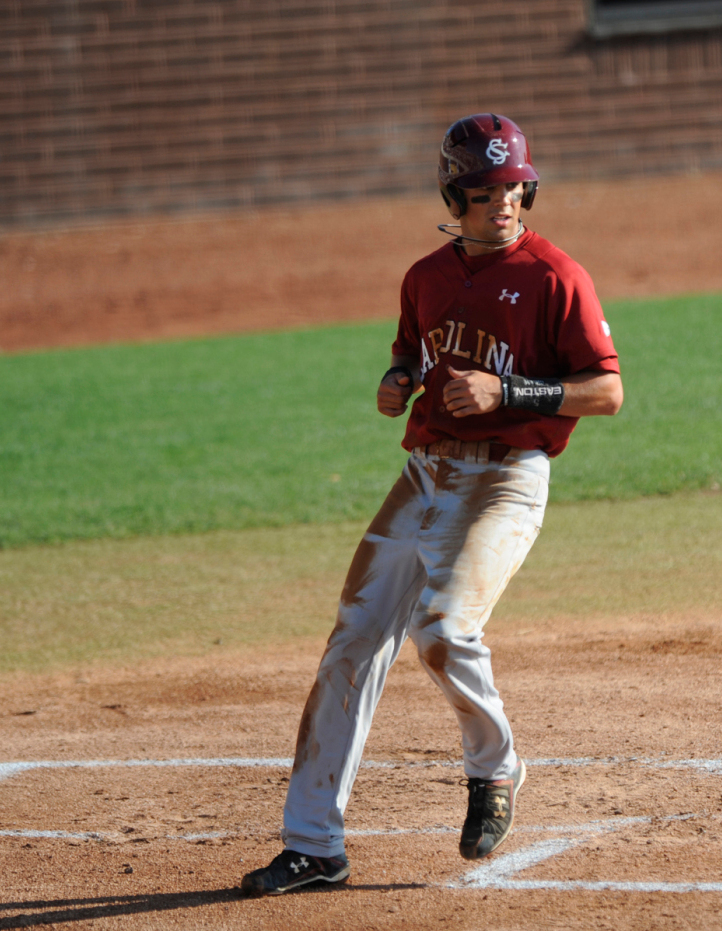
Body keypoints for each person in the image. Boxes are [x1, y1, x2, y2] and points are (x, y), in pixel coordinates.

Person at [241, 113, 623, 896]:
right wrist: (395, 382)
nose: (504, 202)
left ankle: (497, 765)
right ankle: (314, 844)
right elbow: (411, 351)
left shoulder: (557, 277)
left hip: (507, 478)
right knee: (351, 644)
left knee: (444, 630)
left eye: (514, 186)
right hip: (423, 476)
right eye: (486, 191)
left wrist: (508, 390)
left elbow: (608, 392)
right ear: (456, 193)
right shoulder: (425, 276)